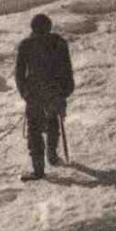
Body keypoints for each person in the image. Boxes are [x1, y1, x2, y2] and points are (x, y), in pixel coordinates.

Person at [15, 13, 74, 180]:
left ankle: (39, 170)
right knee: (52, 120)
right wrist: (65, 91)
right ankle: (52, 156)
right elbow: (67, 70)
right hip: (54, 91)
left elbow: (19, 75)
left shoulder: (26, 45)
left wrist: (25, 93)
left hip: (35, 94)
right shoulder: (59, 43)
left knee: (35, 130)